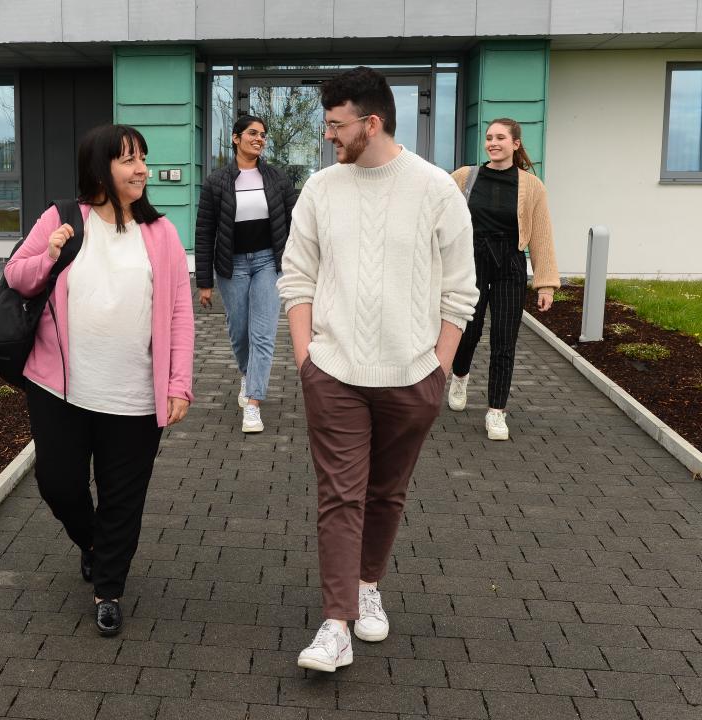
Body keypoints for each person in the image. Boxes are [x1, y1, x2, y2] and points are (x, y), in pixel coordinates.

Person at [277, 67, 478, 672]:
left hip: (410, 375)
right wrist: (306, 358)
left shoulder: (436, 190)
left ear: (373, 122)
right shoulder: (320, 188)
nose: (329, 137)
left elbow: (459, 291)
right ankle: (335, 624)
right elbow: (298, 276)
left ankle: (368, 585)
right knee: (340, 495)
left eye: (337, 126)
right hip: (333, 371)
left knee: (386, 493)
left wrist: (438, 371)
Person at [4, 124, 194, 637]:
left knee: (122, 497)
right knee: (58, 483)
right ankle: (92, 544)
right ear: (100, 167)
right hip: (60, 388)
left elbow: (179, 313)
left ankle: (108, 587)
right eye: (129, 160)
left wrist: (178, 382)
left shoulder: (162, 234)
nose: (142, 170)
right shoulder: (62, 218)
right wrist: (48, 255)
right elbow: (15, 276)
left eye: (143, 160)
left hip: (134, 394)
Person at [447, 118, 560, 441]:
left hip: (510, 263)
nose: (493, 143)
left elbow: (541, 235)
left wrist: (546, 283)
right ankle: (460, 375)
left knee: (504, 340)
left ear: (515, 144)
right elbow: (437, 216)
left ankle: (496, 412)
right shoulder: (465, 177)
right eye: (488, 138)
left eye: (500, 138)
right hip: (472, 261)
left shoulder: (531, 186)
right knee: (469, 331)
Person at [195, 115, 297, 433]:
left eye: (263, 135)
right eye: (253, 133)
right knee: (239, 333)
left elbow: (299, 216)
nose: (260, 138)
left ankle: (253, 402)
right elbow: (205, 231)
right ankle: (248, 375)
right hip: (231, 265)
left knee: (263, 335)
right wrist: (204, 282)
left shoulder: (277, 179)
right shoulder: (217, 182)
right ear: (236, 138)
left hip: (268, 262)